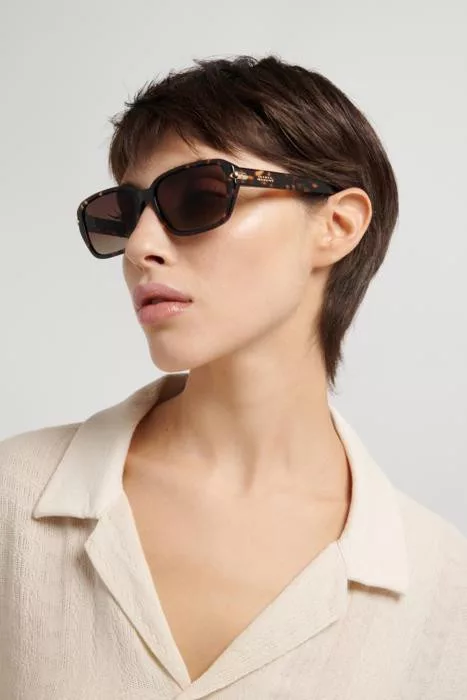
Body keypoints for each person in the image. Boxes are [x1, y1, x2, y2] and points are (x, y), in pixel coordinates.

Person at [1, 54, 466, 699]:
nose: (139, 247)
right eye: (124, 214)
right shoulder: (13, 499)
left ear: (336, 226)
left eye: (197, 197)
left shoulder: (443, 589)